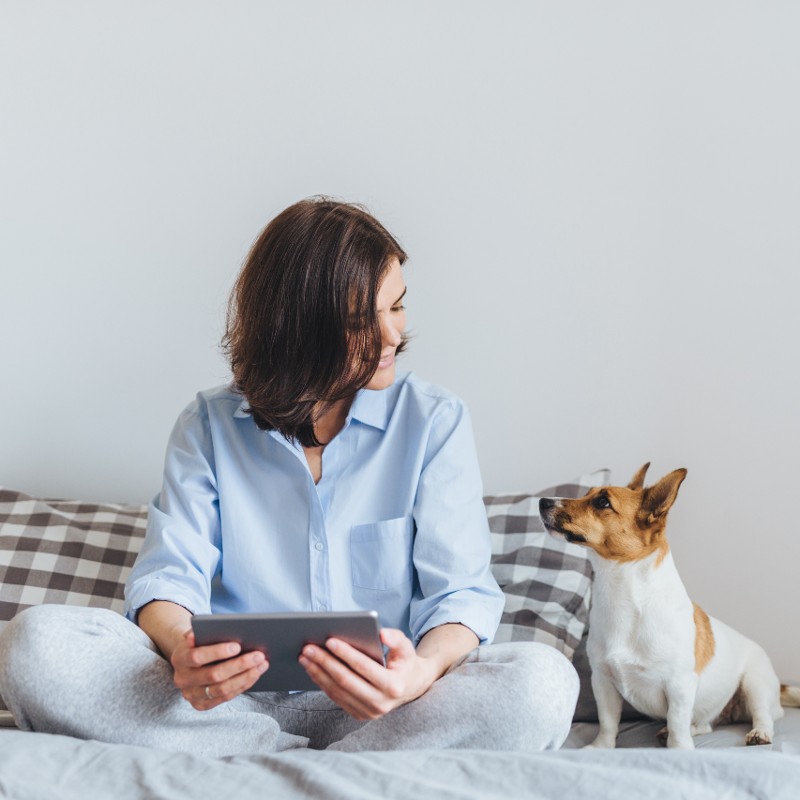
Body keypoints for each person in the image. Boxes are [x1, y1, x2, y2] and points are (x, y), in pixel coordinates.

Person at [0, 197, 578, 757]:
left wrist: (419, 674)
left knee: (543, 683)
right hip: (226, 708)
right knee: (36, 646)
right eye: (360, 320)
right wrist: (183, 650)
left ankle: (264, 768)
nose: (392, 336)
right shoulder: (207, 425)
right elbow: (169, 578)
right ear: (294, 329)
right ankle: (314, 765)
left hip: (390, 711)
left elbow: (462, 594)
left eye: (397, 306)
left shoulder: (434, 422)